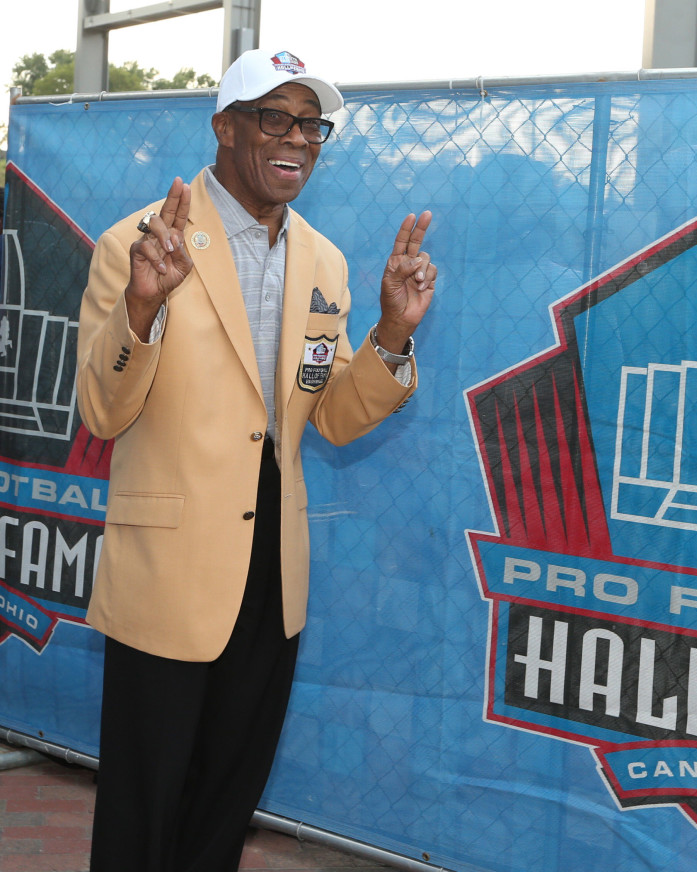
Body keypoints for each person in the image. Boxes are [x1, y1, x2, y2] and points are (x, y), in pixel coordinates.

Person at [74, 48, 436, 872]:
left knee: (223, 805)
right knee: (144, 809)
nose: (297, 139)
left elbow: (333, 416)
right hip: (171, 570)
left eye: (311, 124)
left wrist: (392, 335)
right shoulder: (136, 245)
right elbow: (102, 409)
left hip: (272, 572)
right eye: (274, 117)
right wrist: (141, 306)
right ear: (224, 128)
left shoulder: (325, 261)